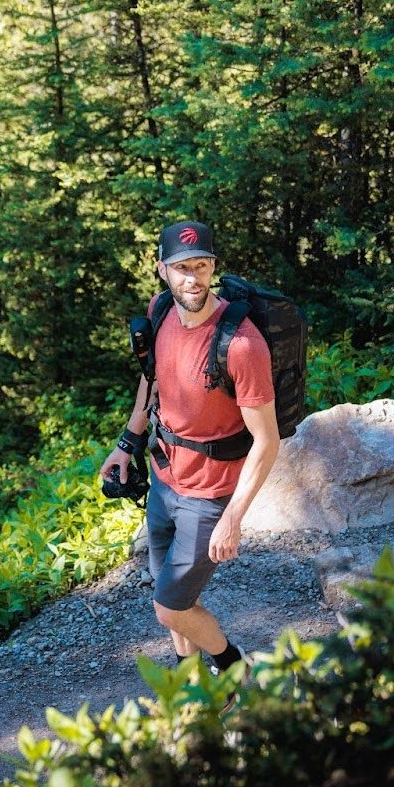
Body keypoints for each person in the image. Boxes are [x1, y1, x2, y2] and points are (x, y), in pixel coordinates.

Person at [100, 220, 280, 677]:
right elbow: (152, 380)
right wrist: (128, 442)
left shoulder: (240, 344)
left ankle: (234, 668)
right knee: (173, 593)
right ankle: (188, 681)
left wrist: (233, 518)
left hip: (210, 495)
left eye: (200, 266)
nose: (191, 278)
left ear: (213, 267)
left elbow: (266, 439)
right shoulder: (160, 311)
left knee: (168, 607)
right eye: (181, 268)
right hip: (164, 480)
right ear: (163, 270)